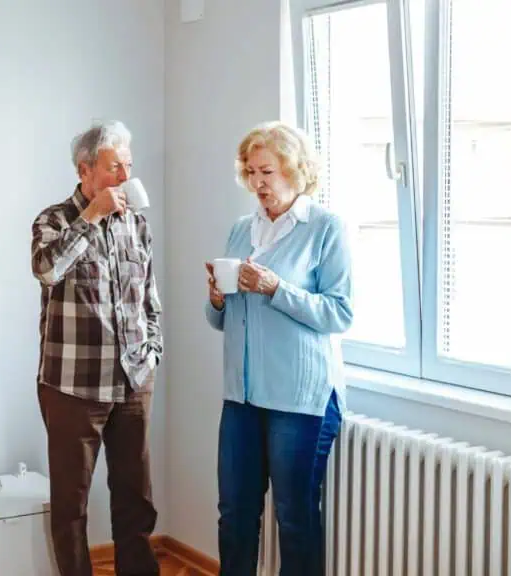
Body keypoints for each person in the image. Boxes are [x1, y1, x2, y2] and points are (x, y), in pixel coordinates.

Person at [204, 121, 352, 575]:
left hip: (299, 400)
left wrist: (275, 288)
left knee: (295, 520)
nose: (257, 183)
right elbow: (223, 320)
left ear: (295, 170)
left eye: (266, 171)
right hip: (243, 398)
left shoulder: (325, 228)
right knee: (234, 517)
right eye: (250, 173)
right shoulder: (240, 229)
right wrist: (215, 300)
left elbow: (338, 313)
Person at [31, 120, 163, 576]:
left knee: (136, 499)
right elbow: (47, 270)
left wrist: (153, 353)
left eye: (128, 165)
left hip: (132, 382)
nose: (124, 177)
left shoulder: (137, 223)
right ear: (85, 171)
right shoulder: (53, 220)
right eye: (113, 168)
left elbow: (149, 297)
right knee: (71, 506)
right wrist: (91, 217)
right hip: (72, 388)